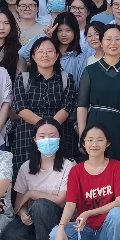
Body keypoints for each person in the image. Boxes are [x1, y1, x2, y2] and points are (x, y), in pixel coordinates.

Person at [52, 124, 120, 240]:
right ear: (83, 144)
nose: (94, 144)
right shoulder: (76, 171)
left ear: (107, 143)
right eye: (90, 140)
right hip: (85, 229)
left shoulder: (117, 167)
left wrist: (89, 213)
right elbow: (70, 204)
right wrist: (61, 227)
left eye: (100, 140)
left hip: (106, 230)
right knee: (55, 233)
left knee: (118, 214)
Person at [0, 118, 74, 240]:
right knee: (10, 235)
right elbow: (19, 204)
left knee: (41, 205)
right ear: (35, 139)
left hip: (60, 220)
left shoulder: (68, 165)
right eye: (42, 136)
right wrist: (23, 214)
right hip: (34, 222)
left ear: (60, 138)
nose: (47, 140)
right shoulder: (26, 167)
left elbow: (62, 201)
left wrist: (32, 193)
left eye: (52, 136)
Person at [76, 24, 120, 169]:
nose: (113, 43)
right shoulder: (90, 71)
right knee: (96, 170)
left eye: (117, 39)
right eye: (108, 39)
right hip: (95, 128)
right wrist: (83, 135)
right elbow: (82, 105)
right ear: (101, 43)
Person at [12, 37, 78, 165]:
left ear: (57, 55)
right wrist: (44, 127)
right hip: (28, 136)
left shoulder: (66, 78)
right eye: (40, 51)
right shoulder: (23, 78)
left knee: (61, 172)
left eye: (49, 51)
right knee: (26, 172)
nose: (45, 55)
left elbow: (67, 107)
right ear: (33, 56)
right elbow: (20, 107)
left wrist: (50, 129)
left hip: (59, 134)